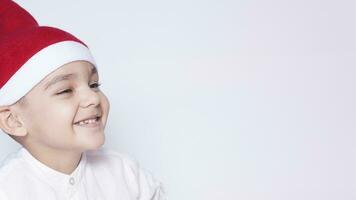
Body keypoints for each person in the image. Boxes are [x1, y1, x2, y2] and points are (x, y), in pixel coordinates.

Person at [0, 1, 165, 199]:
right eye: (66, 90)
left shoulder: (126, 173)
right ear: (13, 120)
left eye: (94, 84)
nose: (92, 98)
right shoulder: (8, 188)